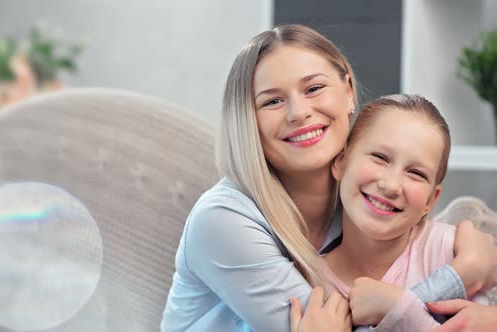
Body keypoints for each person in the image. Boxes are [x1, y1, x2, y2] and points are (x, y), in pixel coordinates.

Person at [161, 25, 497, 332]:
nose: (298, 112)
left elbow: (415, 259)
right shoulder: (223, 221)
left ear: (348, 91)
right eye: (273, 101)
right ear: (247, 121)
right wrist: (458, 277)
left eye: (314, 88)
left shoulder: (362, 198)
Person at [290, 94, 490, 331]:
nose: (391, 185)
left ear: (430, 200)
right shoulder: (303, 282)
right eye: (380, 157)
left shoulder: (451, 250)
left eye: (416, 173)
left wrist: (400, 307)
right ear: (341, 162)